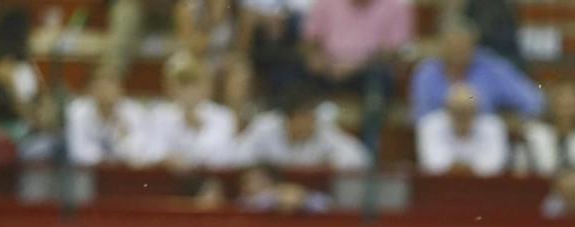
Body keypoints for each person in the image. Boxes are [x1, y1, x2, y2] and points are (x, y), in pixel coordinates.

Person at [408, 18, 544, 122]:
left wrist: (506, 120)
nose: (458, 52)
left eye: (463, 46)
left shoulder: (492, 67)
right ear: (442, 47)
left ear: (475, 47)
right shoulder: (426, 73)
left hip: (484, 137)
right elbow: (421, 118)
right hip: (441, 140)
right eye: (452, 46)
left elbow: (534, 101)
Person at [144, 54, 240, 170]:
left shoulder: (223, 116)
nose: (189, 90)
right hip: (168, 179)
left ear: (207, 86)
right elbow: (147, 152)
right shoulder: (159, 115)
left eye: (194, 83)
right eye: (183, 84)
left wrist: (197, 128)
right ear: (171, 87)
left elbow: (225, 157)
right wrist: (167, 158)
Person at [233, 89, 370, 169]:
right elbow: (237, 159)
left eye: (313, 117)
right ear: (289, 119)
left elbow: (358, 158)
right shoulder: (265, 127)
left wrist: (330, 166)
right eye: (305, 117)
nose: (311, 124)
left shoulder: (322, 129)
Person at [302, 0, 412, 94]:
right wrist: (318, 59)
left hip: (368, 70)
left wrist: (356, 66)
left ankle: (372, 119)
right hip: (329, 69)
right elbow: (310, 41)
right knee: (296, 66)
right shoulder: (325, 2)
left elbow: (393, 52)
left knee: (379, 75)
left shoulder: (394, 6)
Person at [416, 81, 509, 175]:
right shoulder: (430, 125)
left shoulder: (493, 126)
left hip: (483, 187)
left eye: (467, 111)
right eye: (457, 111)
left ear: (477, 110)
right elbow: (432, 164)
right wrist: (469, 167)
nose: (462, 116)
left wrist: (459, 167)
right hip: (441, 186)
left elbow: (495, 165)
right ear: (447, 109)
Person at [66, 70, 152, 167]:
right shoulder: (78, 111)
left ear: (120, 90)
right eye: (100, 88)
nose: (105, 93)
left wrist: (123, 135)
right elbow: (78, 152)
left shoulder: (133, 112)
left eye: (109, 87)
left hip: (122, 172)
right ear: (91, 90)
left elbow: (139, 153)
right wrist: (109, 158)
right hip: (87, 173)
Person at [520, 81, 575, 176]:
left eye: (571, 103)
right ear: (551, 104)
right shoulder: (533, 132)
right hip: (539, 185)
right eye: (561, 101)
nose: (566, 107)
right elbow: (522, 170)